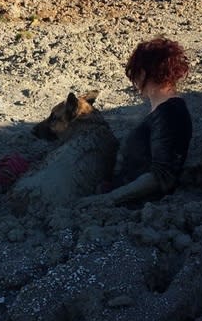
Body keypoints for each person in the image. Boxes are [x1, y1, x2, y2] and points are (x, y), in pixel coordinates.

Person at [78, 37, 193, 208]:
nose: (135, 83)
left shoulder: (169, 113)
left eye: (135, 74)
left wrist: (107, 199)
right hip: (127, 198)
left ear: (143, 73)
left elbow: (160, 176)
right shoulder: (162, 109)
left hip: (140, 208)